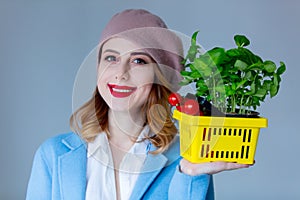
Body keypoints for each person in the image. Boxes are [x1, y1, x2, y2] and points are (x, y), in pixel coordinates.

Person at [26, 9, 251, 200]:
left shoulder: (187, 160)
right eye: (111, 58)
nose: (120, 74)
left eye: (138, 61)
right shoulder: (53, 155)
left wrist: (190, 174)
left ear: (159, 76)